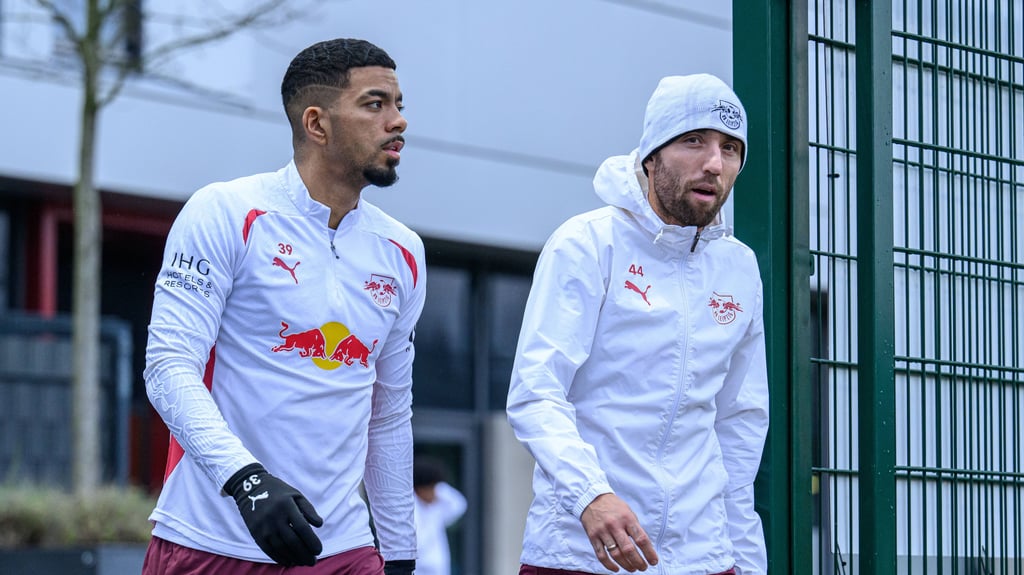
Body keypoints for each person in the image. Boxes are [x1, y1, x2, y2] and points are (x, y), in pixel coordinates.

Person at [141, 38, 425, 575]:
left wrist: (400, 551)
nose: (398, 122)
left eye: (399, 104)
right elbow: (168, 369)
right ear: (317, 124)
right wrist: (245, 481)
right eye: (374, 104)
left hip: (342, 551)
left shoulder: (403, 252)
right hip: (211, 539)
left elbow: (387, 414)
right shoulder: (226, 211)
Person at [506, 74, 769, 575]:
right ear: (651, 155)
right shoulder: (586, 243)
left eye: (731, 148)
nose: (715, 163)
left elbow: (740, 420)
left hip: (704, 557)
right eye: (694, 141)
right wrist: (592, 496)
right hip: (581, 554)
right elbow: (537, 392)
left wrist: (747, 560)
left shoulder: (739, 267)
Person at [412, 456, 467, 575]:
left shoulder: (436, 508)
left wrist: (440, 488)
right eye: (431, 488)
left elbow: (459, 504)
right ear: (419, 488)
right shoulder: (411, 508)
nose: (434, 493)